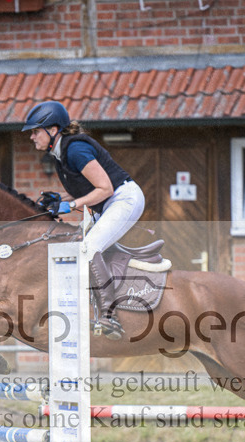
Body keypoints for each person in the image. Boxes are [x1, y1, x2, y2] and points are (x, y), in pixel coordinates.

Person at [22, 100, 146, 340]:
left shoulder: (75, 150)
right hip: (107, 203)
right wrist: (60, 199)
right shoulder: (59, 154)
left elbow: (105, 188)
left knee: (88, 248)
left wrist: (71, 205)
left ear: (53, 130)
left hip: (124, 199)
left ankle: (110, 316)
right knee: (80, 245)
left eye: (36, 131)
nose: (32, 136)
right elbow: (86, 190)